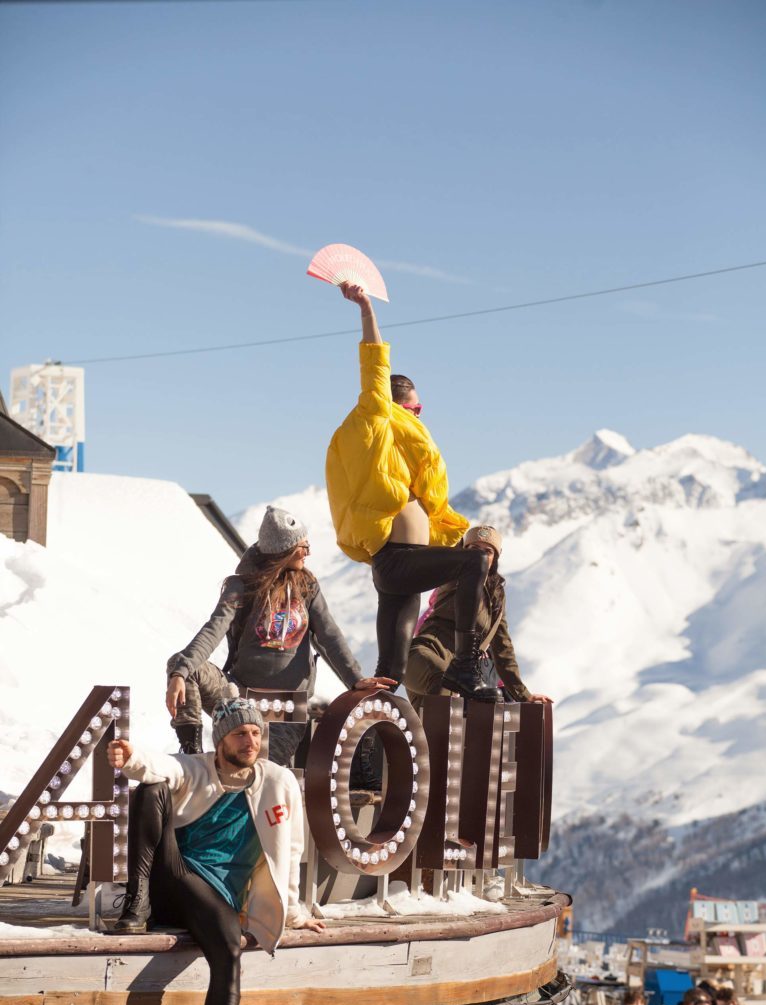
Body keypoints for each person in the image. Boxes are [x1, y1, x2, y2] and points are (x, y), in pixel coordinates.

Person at [107, 691, 324, 1005]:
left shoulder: (279, 782)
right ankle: (136, 901)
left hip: (218, 898)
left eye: (256, 732)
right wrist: (132, 758)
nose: (250, 740)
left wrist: (296, 912)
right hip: (176, 878)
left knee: (229, 948)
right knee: (152, 790)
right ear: (221, 740)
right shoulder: (198, 768)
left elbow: (291, 851)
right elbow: (163, 765)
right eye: (240, 733)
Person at [325, 283, 497, 702]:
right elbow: (374, 362)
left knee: (390, 674)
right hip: (398, 560)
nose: (421, 415)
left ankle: (367, 746)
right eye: (416, 409)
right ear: (399, 404)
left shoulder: (402, 453)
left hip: (402, 570)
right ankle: (465, 665)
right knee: (475, 562)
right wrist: (365, 308)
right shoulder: (376, 414)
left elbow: (431, 504)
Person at [166, 505, 390, 765]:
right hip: (239, 696)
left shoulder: (307, 587)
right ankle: (191, 755)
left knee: (260, 772)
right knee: (181, 665)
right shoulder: (241, 587)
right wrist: (180, 673)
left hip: (287, 707)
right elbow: (213, 629)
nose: (308, 553)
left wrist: (355, 679)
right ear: (284, 549)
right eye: (303, 547)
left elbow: (329, 636)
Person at [403, 524, 552, 711]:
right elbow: (445, 548)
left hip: (460, 677)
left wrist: (524, 695)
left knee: (445, 733)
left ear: (495, 558)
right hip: (424, 656)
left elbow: (503, 649)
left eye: (487, 551)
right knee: (444, 686)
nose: (479, 556)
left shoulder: (497, 596)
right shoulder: (454, 575)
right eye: (473, 549)